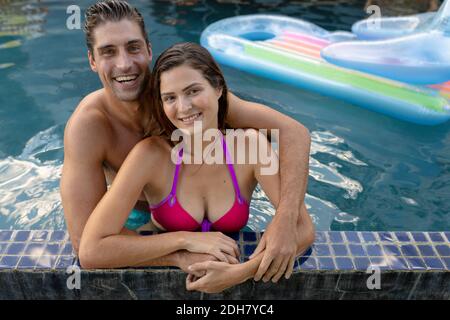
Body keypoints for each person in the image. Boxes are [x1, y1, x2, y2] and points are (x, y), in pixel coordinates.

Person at [61, 0, 314, 283]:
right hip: (133, 216)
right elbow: (86, 244)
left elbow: (294, 133)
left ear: (148, 50)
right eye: (108, 52)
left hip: (214, 207)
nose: (124, 63)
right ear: (92, 61)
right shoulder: (91, 127)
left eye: (133, 47)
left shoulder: (190, 99)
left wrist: (284, 218)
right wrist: (179, 253)